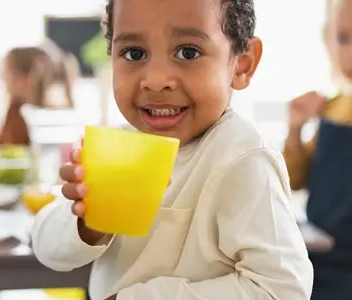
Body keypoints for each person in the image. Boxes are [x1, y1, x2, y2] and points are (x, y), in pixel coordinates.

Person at [32, 0, 313, 299]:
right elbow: (47, 248)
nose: (155, 81)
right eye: (134, 53)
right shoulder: (122, 148)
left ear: (242, 65)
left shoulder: (243, 159)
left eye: (188, 52)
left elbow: (282, 289)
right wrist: (86, 222)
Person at [283, 0, 352, 299]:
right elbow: (294, 180)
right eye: (343, 38)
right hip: (316, 256)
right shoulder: (333, 108)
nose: (349, 52)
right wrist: (295, 128)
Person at [0, 45, 79, 146]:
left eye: (6, 74)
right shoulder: (65, 114)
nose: (3, 82)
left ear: (22, 80)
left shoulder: (22, 116)